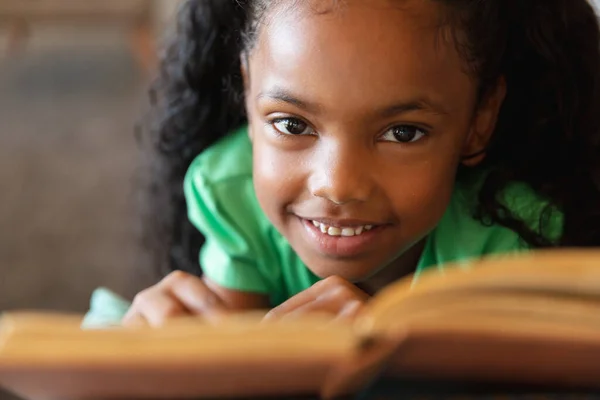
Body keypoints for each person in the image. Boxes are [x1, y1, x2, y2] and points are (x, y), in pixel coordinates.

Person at [83, 0, 600, 328]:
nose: (338, 184)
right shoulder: (234, 187)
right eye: (291, 124)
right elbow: (229, 351)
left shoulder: (510, 240)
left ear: (479, 120)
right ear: (247, 90)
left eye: (403, 132)